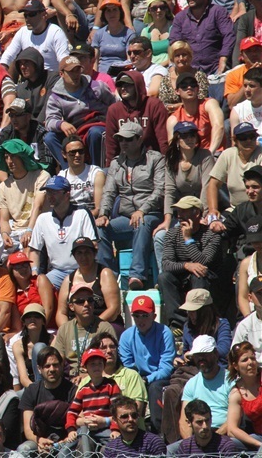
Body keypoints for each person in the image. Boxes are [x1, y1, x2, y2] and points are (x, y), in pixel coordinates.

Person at [96, 121, 164, 290]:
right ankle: (108, 274)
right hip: (126, 217)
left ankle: (137, 275)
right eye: (120, 139)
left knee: (141, 222)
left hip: (152, 214)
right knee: (100, 228)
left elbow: (160, 190)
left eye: (128, 139)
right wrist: (104, 214)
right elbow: (109, 192)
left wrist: (142, 210)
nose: (123, 143)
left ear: (139, 139)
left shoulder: (155, 159)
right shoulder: (116, 163)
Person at [153, 121, 215, 268]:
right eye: (185, 136)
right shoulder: (170, 159)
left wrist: (202, 215)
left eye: (192, 135)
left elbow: (207, 187)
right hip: (182, 213)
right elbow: (169, 190)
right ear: (177, 139)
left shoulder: (205, 156)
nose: (190, 139)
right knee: (160, 236)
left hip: (201, 212)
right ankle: (165, 275)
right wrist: (167, 219)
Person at [157, 196, 223, 327]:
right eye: (178, 212)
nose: (179, 216)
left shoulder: (211, 235)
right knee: (164, 277)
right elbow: (166, 264)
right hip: (182, 274)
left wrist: (188, 239)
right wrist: (187, 265)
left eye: (183, 211)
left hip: (206, 277)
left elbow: (204, 261)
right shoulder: (172, 234)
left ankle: (200, 321)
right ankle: (178, 323)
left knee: (198, 274)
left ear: (197, 213)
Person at [43, 56, 113, 169]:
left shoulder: (96, 87)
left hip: (98, 125)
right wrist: (61, 124)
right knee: (50, 138)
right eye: (71, 72)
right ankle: (71, 171)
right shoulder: (56, 97)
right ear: (61, 74)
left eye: (77, 70)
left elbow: (114, 105)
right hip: (75, 129)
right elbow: (49, 121)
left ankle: (97, 170)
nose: (75, 75)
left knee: (95, 133)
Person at [119, 295, 175, 432]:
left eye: (145, 315)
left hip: (158, 378)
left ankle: (158, 431)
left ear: (154, 316)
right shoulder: (126, 336)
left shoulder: (165, 333)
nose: (140, 320)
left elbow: (166, 367)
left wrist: (147, 379)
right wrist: (138, 379)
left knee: (154, 388)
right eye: (136, 316)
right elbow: (127, 365)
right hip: (136, 377)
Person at [15, 346, 76, 455]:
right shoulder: (31, 391)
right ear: (39, 369)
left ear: (62, 365)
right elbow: (28, 429)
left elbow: (76, 423)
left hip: (67, 442)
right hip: (39, 441)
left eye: (55, 365)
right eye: (47, 366)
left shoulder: (72, 390)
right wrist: (40, 441)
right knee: (24, 449)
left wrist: (61, 443)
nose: (52, 369)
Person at [0, 139, 50, 256]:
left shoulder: (41, 176)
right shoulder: (3, 187)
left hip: (38, 228)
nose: (9, 161)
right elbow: (4, 220)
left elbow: (38, 206)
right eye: (6, 157)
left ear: (23, 157)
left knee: (28, 253)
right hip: (15, 233)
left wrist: (30, 230)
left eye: (13, 156)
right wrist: (5, 235)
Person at [169, 0, 234, 75]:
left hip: (215, 69)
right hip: (189, 70)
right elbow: (174, 42)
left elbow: (229, 35)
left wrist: (223, 59)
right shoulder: (180, 17)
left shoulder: (218, 12)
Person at [51, 283, 116, 379]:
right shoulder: (64, 329)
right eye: (80, 301)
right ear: (71, 306)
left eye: (90, 300)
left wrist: (88, 376)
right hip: (72, 378)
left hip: (98, 377)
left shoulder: (104, 328)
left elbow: (111, 363)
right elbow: (58, 361)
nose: (86, 304)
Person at [104, 71, 169, 165]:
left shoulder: (154, 105)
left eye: (128, 85)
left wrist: (166, 164)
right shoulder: (114, 110)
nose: (123, 88)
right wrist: (110, 167)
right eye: (120, 85)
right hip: (125, 162)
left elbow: (163, 140)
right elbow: (111, 145)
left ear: (137, 86)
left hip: (151, 161)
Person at [207, 122, 262, 214]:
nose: (249, 140)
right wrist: (213, 209)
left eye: (252, 136)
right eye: (243, 138)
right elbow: (213, 185)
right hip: (235, 210)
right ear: (235, 140)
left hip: (258, 210)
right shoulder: (228, 155)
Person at [166, 73, 224, 154]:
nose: (189, 87)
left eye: (192, 84)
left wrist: (209, 154)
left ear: (197, 89)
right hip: (189, 157)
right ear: (177, 91)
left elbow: (219, 127)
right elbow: (173, 147)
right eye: (184, 85)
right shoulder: (173, 119)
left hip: (214, 153)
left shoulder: (209, 104)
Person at [102, 395, 166, 457]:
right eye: (124, 416)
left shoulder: (154, 443)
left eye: (134, 415)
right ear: (114, 420)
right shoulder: (111, 449)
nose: (131, 419)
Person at [226, 341, 262, 451]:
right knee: (230, 444)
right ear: (235, 366)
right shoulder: (236, 394)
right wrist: (258, 444)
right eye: (245, 360)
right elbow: (232, 430)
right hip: (259, 437)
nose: (251, 362)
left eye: (253, 358)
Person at [91, 0, 136, 75]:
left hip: (120, 72)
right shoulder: (99, 34)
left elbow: (130, 61)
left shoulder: (129, 34)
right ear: (104, 14)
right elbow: (94, 60)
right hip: (102, 73)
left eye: (115, 9)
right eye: (108, 11)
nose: (112, 13)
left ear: (120, 12)